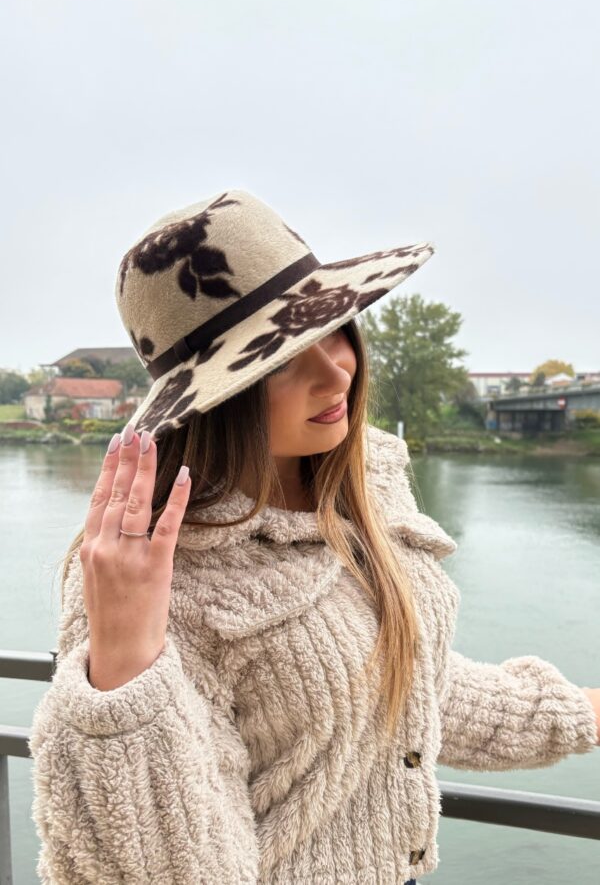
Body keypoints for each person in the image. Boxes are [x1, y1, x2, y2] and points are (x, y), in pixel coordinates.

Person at [28, 189, 600, 884]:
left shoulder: (363, 483)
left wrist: (579, 713)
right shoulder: (154, 571)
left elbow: (401, 682)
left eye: (331, 329)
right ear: (219, 401)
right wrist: (123, 676)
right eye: (280, 361)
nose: (336, 370)